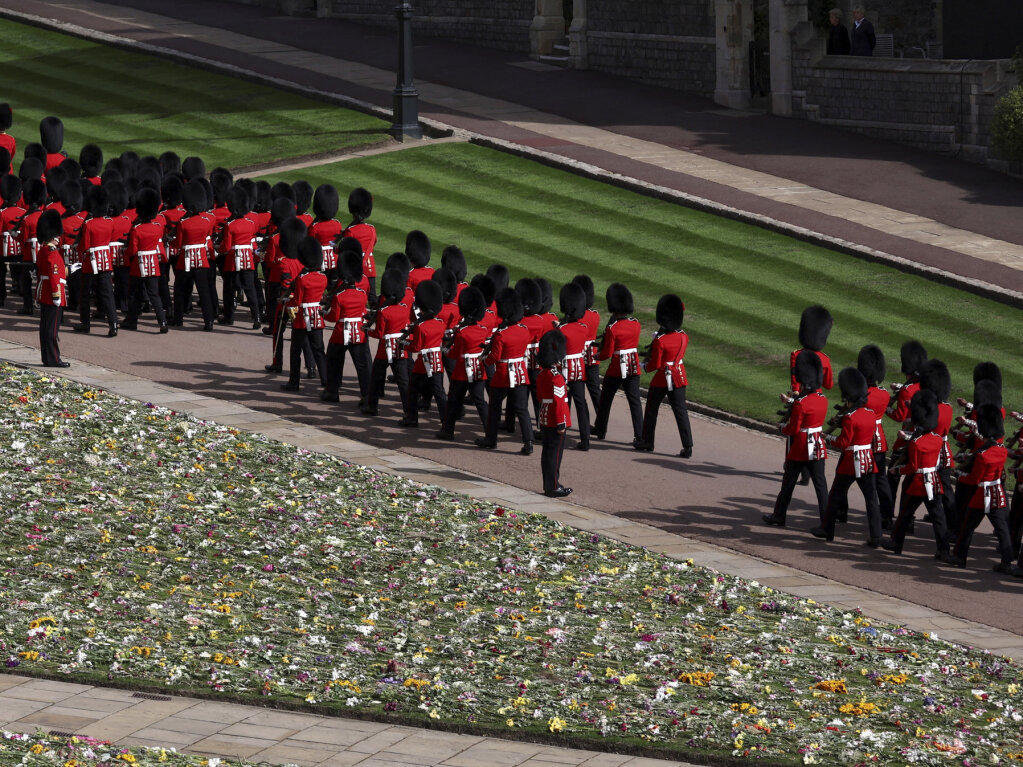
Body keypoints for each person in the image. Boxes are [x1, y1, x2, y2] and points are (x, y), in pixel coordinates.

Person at [811, 368, 882, 545]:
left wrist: (828, 438)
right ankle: (876, 536)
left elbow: (843, 443)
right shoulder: (871, 414)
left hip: (851, 461)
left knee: (835, 495)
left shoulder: (850, 417)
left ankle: (827, 530)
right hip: (867, 459)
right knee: (871, 499)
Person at [881, 390, 951, 558]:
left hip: (918, 483)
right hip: (933, 482)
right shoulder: (937, 439)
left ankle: (896, 543)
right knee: (938, 516)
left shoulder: (916, 443)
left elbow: (912, 467)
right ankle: (944, 550)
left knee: (904, 514)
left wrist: (896, 470)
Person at [763, 350, 829, 528]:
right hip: (816, 444)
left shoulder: (801, 403)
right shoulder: (823, 399)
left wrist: (782, 427)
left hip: (800, 446)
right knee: (821, 486)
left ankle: (779, 516)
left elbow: (794, 428)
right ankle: (827, 522)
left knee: (788, 484)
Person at [946, 404, 1013, 572]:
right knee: (1002, 529)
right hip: (997, 493)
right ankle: (1006, 562)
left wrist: (959, 474)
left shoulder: (983, 456)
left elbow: (975, 479)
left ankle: (959, 557)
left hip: (982, 495)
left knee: (967, 527)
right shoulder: (1002, 451)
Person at [477, 287, 533, 453]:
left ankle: (491, 439)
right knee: (522, 409)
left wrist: (483, 359)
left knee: (494, 407)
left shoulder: (502, 334)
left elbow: (494, 357)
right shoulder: (524, 329)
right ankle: (528, 442)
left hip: (503, 375)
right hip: (520, 372)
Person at [636, 294, 693, 458]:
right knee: (681, 411)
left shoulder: (661, 340)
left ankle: (647, 442)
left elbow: (656, 364)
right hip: (679, 376)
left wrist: (644, 366)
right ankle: (688, 446)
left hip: (663, 378)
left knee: (652, 409)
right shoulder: (684, 336)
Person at [436, 286, 491, 441]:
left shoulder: (462, 332)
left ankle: (448, 430)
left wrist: (446, 351)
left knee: (453, 400)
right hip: (478, 370)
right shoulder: (482, 329)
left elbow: (456, 353)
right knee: (480, 401)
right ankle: (490, 431)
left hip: (461, 372)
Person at [591, 283, 643, 444]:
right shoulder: (636, 324)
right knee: (634, 401)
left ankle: (600, 429)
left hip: (616, 368)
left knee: (606, 398)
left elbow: (607, 353)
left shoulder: (613, 328)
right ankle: (640, 435)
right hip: (633, 365)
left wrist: (596, 357)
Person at [321, 250, 371, 406]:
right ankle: (366, 395)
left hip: (341, 332)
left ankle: (332, 392)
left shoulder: (339, 296)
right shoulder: (362, 293)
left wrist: (323, 313)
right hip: (358, 332)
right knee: (362, 365)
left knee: (333, 361)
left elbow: (333, 318)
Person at [281, 237, 328, 392]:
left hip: (303, 318)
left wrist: (285, 301)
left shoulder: (302, 279)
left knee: (295, 350)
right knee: (319, 350)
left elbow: (297, 301)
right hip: (316, 317)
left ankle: (294, 382)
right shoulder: (323, 278)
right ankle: (326, 381)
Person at [365, 268, 412, 417]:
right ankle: (409, 411)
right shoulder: (404, 309)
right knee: (403, 382)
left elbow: (379, 333)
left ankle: (372, 407)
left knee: (376, 378)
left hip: (385, 350)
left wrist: (366, 331)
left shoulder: (384, 311)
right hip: (400, 347)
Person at [73, 185, 118, 336]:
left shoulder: (89, 224)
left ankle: (85, 323)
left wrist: (75, 247)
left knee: (85, 293)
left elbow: (84, 246)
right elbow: (111, 240)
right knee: (107, 293)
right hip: (105, 260)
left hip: (90, 262)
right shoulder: (110, 222)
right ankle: (113, 324)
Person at [122, 187, 169, 333]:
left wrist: (125, 254)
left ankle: (132, 321)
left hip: (138, 265)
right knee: (154, 294)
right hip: (153, 263)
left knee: (134, 294)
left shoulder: (137, 229)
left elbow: (133, 250)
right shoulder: (157, 228)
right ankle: (162, 321)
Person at [217, 186, 261, 329]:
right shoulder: (250, 223)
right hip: (247, 258)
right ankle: (257, 317)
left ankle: (229, 317)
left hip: (232, 260)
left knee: (229, 289)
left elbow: (226, 247)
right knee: (250, 288)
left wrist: (217, 248)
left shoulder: (230, 225)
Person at [535, 329, 572, 498]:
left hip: (544, 415)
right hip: (554, 418)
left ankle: (550, 483)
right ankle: (553, 486)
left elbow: (541, 397)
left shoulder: (543, 374)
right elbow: (559, 403)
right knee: (555, 455)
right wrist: (561, 423)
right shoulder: (556, 377)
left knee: (548, 454)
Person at [557, 282, 592, 451]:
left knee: (563, 401)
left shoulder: (562, 329)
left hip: (564, 368)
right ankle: (585, 439)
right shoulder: (584, 328)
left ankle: (560, 433)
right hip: (578, 368)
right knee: (581, 404)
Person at [35, 210, 68, 367]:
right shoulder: (52, 253)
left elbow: (52, 271)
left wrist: (69, 270)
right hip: (52, 293)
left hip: (44, 292)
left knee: (45, 328)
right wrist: (57, 295)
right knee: (52, 330)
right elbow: (54, 275)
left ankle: (47, 358)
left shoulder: (44, 250)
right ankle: (54, 359)